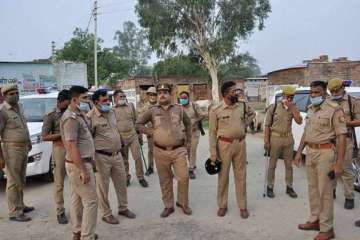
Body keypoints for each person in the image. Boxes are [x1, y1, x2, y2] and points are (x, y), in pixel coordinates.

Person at [294, 80, 346, 240]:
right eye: (312, 92)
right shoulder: (311, 109)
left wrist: (339, 164)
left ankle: (327, 228)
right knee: (313, 190)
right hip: (311, 152)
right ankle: (315, 220)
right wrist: (299, 152)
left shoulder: (334, 110)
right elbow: (306, 132)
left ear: (325, 92)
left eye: (317, 92)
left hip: (325, 153)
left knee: (325, 192)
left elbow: (341, 137)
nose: (313, 95)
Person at [136, 84, 192, 218]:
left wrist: (188, 141)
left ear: (170, 94)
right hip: (160, 151)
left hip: (178, 150)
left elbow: (189, 124)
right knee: (165, 180)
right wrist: (151, 132)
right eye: (159, 92)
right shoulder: (152, 110)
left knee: (183, 177)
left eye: (165, 92)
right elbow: (138, 124)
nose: (162, 94)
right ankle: (168, 205)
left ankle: (183, 203)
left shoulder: (179, 109)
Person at [87, 89, 136, 225]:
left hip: (117, 154)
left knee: (121, 183)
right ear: (96, 102)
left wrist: (121, 143)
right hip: (101, 157)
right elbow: (88, 139)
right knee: (103, 187)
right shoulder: (90, 117)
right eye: (104, 100)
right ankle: (106, 213)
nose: (107, 102)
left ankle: (123, 208)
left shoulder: (112, 112)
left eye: (108, 100)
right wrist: (92, 160)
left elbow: (116, 130)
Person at [208, 81, 254, 219]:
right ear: (226, 94)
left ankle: (243, 206)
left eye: (237, 91)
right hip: (224, 145)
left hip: (240, 144)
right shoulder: (216, 110)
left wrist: (246, 122)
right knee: (223, 177)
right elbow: (211, 132)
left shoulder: (242, 105)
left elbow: (252, 114)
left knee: (241, 176)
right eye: (234, 91)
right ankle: (222, 205)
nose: (237, 93)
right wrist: (213, 153)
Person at [60, 86, 98, 240]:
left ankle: (77, 231)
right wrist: (82, 170)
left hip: (79, 163)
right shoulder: (70, 118)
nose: (87, 101)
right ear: (74, 100)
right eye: (84, 98)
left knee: (77, 199)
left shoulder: (78, 114)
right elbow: (71, 145)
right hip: (78, 165)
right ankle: (87, 236)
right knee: (91, 201)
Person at [0, 84, 34, 222]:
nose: (15, 95)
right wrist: (1, 156)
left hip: (23, 147)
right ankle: (14, 212)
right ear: (4, 96)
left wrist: (29, 142)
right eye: (11, 94)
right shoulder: (2, 111)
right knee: (13, 180)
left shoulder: (19, 107)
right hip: (11, 148)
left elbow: (24, 126)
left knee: (21, 178)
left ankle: (21, 205)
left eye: (16, 92)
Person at [264, 86, 302, 198]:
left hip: (288, 139)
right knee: (272, 164)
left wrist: (292, 109)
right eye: (288, 96)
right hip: (275, 138)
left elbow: (299, 121)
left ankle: (289, 187)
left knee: (289, 165)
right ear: (283, 95)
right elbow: (267, 125)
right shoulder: (274, 107)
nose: (289, 99)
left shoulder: (294, 107)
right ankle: (270, 187)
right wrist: (266, 140)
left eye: (292, 97)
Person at [328, 78, 360, 210]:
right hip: (329, 140)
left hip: (346, 140)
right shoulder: (327, 101)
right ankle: (332, 191)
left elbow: (359, 120)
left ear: (343, 88)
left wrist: (344, 122)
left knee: (346, 169)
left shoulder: (352, 101)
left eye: (337, 90)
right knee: (330, 167)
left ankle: (349, 197)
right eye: (332, 91)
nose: (334, 93)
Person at [42, 89, 70, 224]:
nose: (67, 105)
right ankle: (60, 211)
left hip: (74, 148)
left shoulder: (73, 112)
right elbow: (45, 136)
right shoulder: (51, 115)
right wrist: (63, 135)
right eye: (65, 103)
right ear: (58, 102)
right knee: (59, 182)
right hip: (60, 149)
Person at [113, 89, 148, 188]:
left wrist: (140, 136)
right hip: (121, 138)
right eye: (121, 96)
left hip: (133, 136)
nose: (123, 98)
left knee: (137, 158)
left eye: (124, 96)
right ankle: (126, 178)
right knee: (124, 160)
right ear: (115, 98)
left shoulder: (131, 106)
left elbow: (137, 122)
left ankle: (141, 177)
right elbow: (112, 126)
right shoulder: (112, 110)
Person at [178, 91, 205, 179]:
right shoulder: (179, 108)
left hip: (194, 132)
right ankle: (191, 164)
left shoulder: (194, 106)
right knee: (186, 150)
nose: (183, 99)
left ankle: (190, 169)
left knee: (192, 149)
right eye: (181, 98)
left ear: (188, 98)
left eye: (185, 98)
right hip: (183, 132)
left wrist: (195, 121)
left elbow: (202, 115)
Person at [138, 86, 157, 176]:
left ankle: (165, 167)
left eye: (154, 94)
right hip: (151, 132)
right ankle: (150, 167)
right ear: (148, 95)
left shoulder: (161, 104)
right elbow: (139, 121)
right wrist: (141, 134)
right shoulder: (145, 107)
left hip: (163, 131)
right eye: (151, 95)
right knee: (151, 151)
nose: (152, 96)